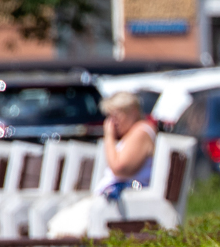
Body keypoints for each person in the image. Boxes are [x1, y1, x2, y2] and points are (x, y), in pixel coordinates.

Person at [46, 92, 158, 237]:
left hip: (126, 200)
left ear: (133, 112)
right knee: (59, 224)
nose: (112, 122)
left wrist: (109, 136)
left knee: (63, 228)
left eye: (116, 116)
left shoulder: (141, 131)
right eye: (110, 117)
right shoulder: (135, 132)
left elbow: (119, 168)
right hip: (115, 199)